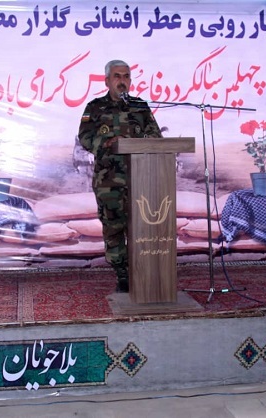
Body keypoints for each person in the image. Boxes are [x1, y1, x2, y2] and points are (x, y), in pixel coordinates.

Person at [78, 59, 163, 292]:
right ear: (107, 81)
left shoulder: (140, 106)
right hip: (109, 181)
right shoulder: (95, 107)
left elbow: (155, 136)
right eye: (117, 76)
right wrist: (108, 142)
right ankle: (122, 274)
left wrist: (137, 141)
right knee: (113, 228)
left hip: (141, 178)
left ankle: (143, 271)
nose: (122, 81)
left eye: (126, 76)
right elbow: (85, 137)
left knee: (142, 227)